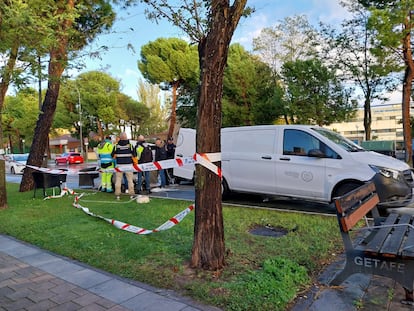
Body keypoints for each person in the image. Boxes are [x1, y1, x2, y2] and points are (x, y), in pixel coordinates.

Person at [111, 132, 136, 200]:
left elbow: (112, 156)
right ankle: (131, 194)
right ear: (126, 137)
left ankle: (117, 195)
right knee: (130, 180)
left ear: (120, 137)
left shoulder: (116, 146)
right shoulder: (130, 145)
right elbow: (134, 155)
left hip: (119, 165)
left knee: (118, 180)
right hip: (128, 165)